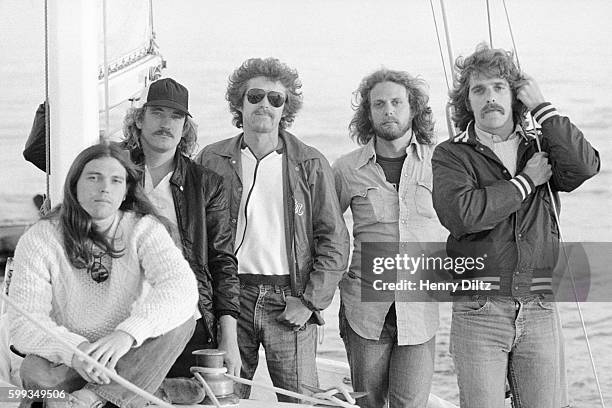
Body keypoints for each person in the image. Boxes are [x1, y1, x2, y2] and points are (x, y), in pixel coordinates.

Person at [431, 44, 600, 407]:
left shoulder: (540, 145)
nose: (489, 97)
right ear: (468, 102)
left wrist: (543, 106)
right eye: (479, 90)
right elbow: (463, 215)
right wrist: (526, 181)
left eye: (498, 87)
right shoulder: (451, 154)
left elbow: (585, 167)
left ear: (514, 95)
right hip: (479, 309)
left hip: (539, 306)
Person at [196, 57, 349, 402]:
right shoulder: (210, 159)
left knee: (298, 400)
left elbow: (335, 240)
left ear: (285, 109)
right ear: (239, 102)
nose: (265, 104)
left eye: (275, 99)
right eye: (255, 96)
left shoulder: (309, 163)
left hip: (288, 300)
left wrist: (310, 302)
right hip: (230, 299)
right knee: (221, 398)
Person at [9, 142, 199, 408]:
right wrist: (76, 351)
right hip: (73, 356)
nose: (104, 187)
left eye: (115, 180)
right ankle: (151, 391)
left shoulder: (144, 229)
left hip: (126, 352)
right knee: (33, 372)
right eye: (94, 177)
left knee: (183, 320)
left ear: (125, 192)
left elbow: (182, 288)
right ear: (74, 185)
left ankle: (91, 398)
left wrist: (127, 335)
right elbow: (23, 323)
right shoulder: (41, 238)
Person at [332, 69, 446, 408]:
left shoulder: (440, 163)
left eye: (397, 102)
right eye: (378, 104)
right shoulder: (347, 169)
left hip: (420, 307)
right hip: (365, 308)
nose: (388, 111)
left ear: (413, 109)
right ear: (368, 113)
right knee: (368, 405)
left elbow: (465, 225)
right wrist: (334, 281)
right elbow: (323, 232)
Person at [122, 78, 241, 381]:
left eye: (176, 116)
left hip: (187, 317)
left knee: (184, 396)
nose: (166, 123)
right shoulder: (115, 169)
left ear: (185, 126)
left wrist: (229, 336)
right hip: (123, 315)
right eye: (158, 113)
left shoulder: (206, 183)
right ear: (140, 118)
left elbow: (222, 262)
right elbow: (42, 151)